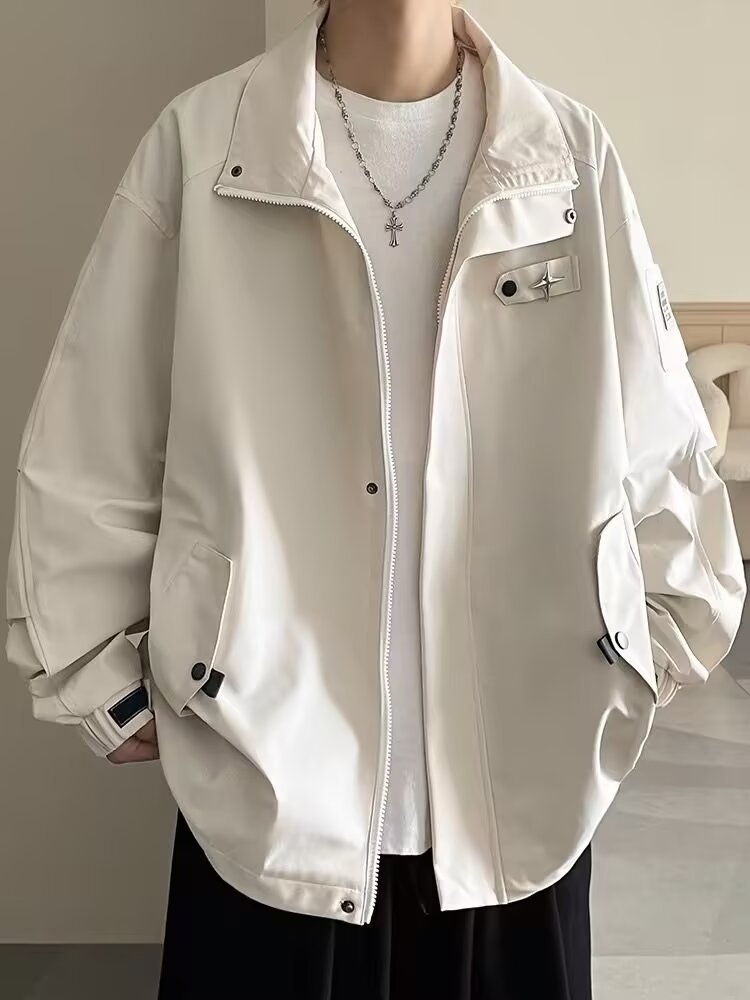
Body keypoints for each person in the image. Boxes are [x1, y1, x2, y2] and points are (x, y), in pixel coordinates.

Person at [5, 0, 746, 997]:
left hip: (521, 787)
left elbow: (658, 434)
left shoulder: (568, 156)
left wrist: (656, 635)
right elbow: (94, 429)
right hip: (262, 776)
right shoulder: (204, 143)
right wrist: (101, 677)